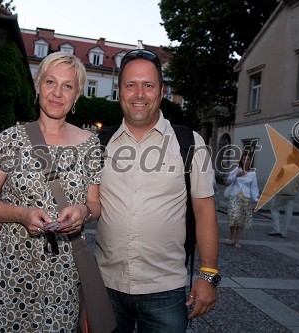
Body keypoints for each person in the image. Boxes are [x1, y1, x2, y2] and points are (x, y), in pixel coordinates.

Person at [0, 52, 103, 332]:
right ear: (37, 86)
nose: (57, 92)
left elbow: (95, 204)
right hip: (8, 267)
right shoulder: (10, 139)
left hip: (63, 272)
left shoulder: (91, 145)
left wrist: (82, 212)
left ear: (77, 94)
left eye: (68, 86)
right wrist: (20, 214)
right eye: (50, 82)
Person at [95, 49, 219, 333]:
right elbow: (72, 197)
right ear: (119, 91)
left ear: (161, 91)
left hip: (166, 290)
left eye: (148, 85)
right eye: (130, 85)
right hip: (106, 286)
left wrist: (209, 275)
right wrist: (13, 214)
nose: (139, 94)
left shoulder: (190, 142)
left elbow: (205, 212)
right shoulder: (99, 144)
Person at [225, 152, 259, 248]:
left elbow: (254, 186)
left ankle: (237, 239)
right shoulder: (237, 169)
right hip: (235, 196)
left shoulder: (252, 173)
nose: (246, 161)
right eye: (244, 159)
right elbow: (228, 180)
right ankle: (231, 235)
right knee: (233, 217)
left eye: (248, 160)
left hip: (246, 197)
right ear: (241, 160)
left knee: (241, 219)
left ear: (250, 161)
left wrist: (255, 197)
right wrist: (236, 176)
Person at [267, 154, 299, 238]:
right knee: (288, 213)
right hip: (293, 194)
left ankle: (276, 229)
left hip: (282, 193)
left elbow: (277, 179)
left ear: (288, 160)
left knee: (274, 209)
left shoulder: (284, 168)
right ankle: (284, 233)